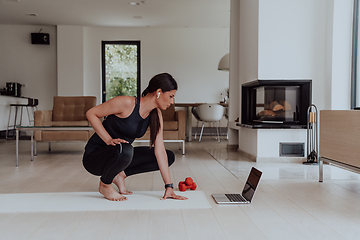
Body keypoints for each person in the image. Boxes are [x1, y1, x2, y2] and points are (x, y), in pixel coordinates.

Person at [82, 73, 187, 202]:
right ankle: (105, 185)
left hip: (121, 155)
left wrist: (169, 186)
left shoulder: (155, 114)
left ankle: (120, 175)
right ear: (159, 92)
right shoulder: (126, 103)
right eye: (171, 96)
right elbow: (91, 113)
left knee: (168, 156)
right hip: (95, 158)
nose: (172, 102)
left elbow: (159, 151)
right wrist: (108, 140)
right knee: (126, 149)